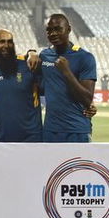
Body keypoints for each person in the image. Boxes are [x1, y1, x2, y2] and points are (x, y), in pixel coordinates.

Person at [40, 14, 96, 142]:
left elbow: (87, 99)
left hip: (77, 129)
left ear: (69, 29)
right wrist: (31, 52)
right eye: (49, 30)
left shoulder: (85, 57)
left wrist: (66, 72)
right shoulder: (44, 55)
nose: (53, 33)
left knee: (78, 163)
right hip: (50, 130)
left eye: (58, 29)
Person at [0, 29, 42, 142]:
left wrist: (32, 52)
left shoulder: (28, 64)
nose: (6, 45)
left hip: (31, 138)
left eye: (10, 41)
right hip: (2, 138)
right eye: (2, 42)